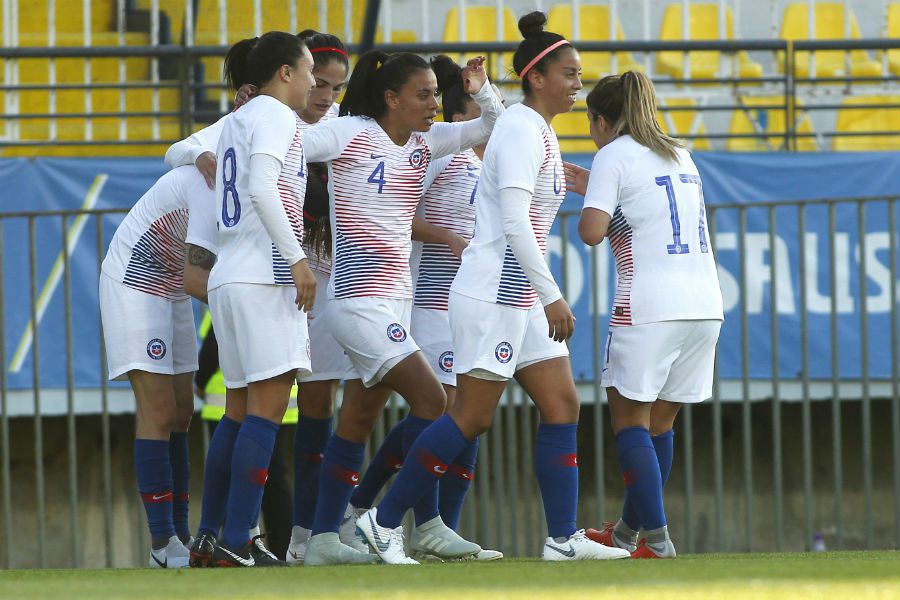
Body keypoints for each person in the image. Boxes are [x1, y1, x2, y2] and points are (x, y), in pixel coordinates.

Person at [354, 11, 630, 564]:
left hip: (518, 294)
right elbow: (513, 221)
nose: (579, 82)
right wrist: (551, 292)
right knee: (471, 416)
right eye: (571, 74)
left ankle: (560, 539)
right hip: (492, 292)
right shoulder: (524, 130)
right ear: (539, 78)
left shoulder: (535, 129)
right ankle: (379, 522)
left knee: (561, 404)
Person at [298, 49, 504, 565]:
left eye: (437, 93)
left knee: (358, 421)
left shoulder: (424, 143)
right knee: (436, 404)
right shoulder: (349, 133)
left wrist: (479, 89)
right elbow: (287, 143)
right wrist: (205, 149)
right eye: (424, 94)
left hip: (395, 301)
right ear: (391, 97)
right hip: (359, 302)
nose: (434, 103)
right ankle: (393, 520)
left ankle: (324, 537)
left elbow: (490, 126)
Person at [564, 70, 724, 559]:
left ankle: (657, 541)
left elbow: (592, 232)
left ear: (601, 120)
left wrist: (595, 193)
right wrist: (605, 190)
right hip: (704, 305)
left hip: (649, 303)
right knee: (661, 425)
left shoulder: (612, 154)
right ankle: (627, 535)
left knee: (630, 422)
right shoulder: (681, 152)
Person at [201, 31, 317, 568]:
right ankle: (239, 538)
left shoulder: (238, 119)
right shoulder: (273, 114)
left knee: (238, 411)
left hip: (229, 274)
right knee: (267, 412)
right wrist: (297, 259)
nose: (315, 81)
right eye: (309, 69)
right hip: (262, 275)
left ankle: (209, 535)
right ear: (285, 73)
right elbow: (264, 187)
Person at [99, 162, 214, 568]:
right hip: (137, 281)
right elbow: (196, 277)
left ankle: (180, 537)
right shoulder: (219, 166)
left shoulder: (265, 168)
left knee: (183, 411)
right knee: (160, 412)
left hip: (175, 288)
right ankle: (162, 544)